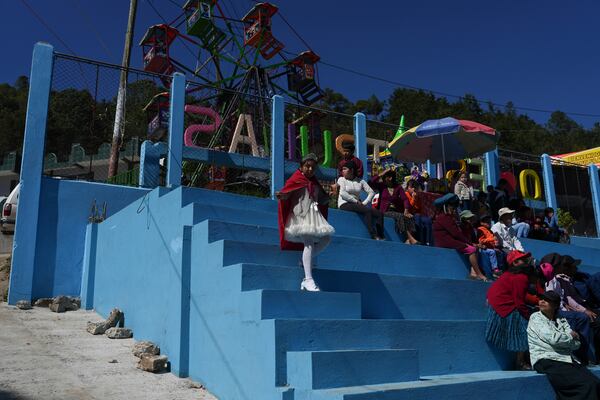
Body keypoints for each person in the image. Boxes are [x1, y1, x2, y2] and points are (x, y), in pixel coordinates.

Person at [276, 153, 335, 292]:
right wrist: (283, 195)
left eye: (312, 168)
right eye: (307, 166)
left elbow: (321, 199)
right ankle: (308, 279)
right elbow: (288, 192)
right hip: (300, 215)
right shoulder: (296, 179)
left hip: (314, 215)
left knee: (326, 239)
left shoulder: (314, 183)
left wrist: (329, 196)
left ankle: (305, 261)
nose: (309, 169)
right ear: (301, 167)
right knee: (308, 243)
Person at [528, 290, 600, 399]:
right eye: (541, 299)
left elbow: (576, 344)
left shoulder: (561, 319)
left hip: (566, 359)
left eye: (547, 300)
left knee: (595, 383)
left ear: (556, 305)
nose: (542, 301)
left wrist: (569, 339)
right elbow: (554, 339)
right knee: (585, 386)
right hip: (547, 360)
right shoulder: (536, 317)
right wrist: (571, 336)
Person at [485, 250, 535, 369]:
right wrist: (529, 317)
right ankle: (520, 361)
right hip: (504, 307)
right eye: (523, 259)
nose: (527, 261)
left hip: (497, 304)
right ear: (515, 263)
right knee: (526, 328)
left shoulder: (508, 274)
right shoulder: (521, 277)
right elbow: (519, 302)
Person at [433, 193, 488, 281]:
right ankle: (479, 274)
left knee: (473, 248)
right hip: (445, 242)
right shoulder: (444, 217)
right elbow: (456, 234)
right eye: (452, 207)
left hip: (449, 240)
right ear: (446, 206)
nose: (454, 209)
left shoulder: (447, 217)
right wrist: (470, 243)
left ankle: (473, 273)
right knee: (472, 249)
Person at [369, 167, 419, 244]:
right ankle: (410, 238)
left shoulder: (398, 187)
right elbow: (371, 182)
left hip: (395, 211)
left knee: (410, 217)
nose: (383, 179)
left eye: (384, 177)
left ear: (390, 178)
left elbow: (405, 199)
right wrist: (382, 173)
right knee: (400, 216)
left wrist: (406, 211)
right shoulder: (382, 186)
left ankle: (408, 240)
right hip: (385, 211)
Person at [337, 161, 384, 240]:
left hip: (357, 204)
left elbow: (371, 192)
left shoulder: (360, 181)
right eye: (342, 169)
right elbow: (343, 194)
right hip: (344, 203)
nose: (342, 171)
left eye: (345, 169)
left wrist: (364, 203)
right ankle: (373, 235)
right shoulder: (341, 179)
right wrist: (356, 201)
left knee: (379, 214)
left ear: (351, 170)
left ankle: (381, 235)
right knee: (367, 211)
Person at [405, 180, 433, 245]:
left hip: (417, 214)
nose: (413, 189)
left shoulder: (417, 195)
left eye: (414, 187)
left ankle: (428, 241)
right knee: (418, 217)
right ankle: (418, 239)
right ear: (408, 187)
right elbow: (409, 207)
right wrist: (413, 198)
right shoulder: (406, 195)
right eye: (412, 187)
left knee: (428, 220)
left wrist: (416, 198)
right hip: (409, 214)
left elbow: (419, 208)